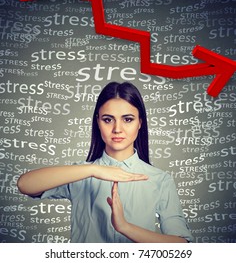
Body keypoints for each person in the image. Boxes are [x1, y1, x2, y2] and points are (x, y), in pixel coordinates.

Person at [17, 81, 193, 243]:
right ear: (98, 122)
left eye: (128, 119)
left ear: (140, 122)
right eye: (108, 120)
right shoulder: (81, 174)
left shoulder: (159, 179)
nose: (117, 129)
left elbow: (182, 245)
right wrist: (93, 170)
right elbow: (25, 184)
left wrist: (125, 227)